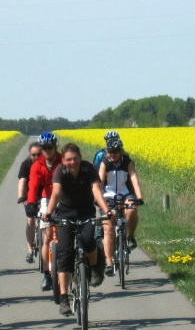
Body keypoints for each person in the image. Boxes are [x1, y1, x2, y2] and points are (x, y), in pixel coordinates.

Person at [43, 143, 112, 317]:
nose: (72, 162)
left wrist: (107, 210)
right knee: (64, 253)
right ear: (64, 160)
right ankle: (65, 298)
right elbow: (56, 194)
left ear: (80, 158)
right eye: (68, 159)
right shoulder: (60, 171)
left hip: (86, 211)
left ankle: (95, 267)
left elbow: (96, 190)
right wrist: (48, 212)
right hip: (65, 212)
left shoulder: (89, 169)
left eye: (75, 159)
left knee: (89, 240)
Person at [98, 137, 144, 277]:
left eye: (115, 152)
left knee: (131, 210)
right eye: (110, 152)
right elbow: (99, 183)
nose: (113, 154)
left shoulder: (127, 162)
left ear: (120, 151)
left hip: (125, 194)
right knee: (108, 229)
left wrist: (139, 197)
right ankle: (109, 263)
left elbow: (134, 178)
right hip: (108, 197)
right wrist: (98, 200)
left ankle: (130, 236)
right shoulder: (105, 163)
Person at [26, 132, 63, 291]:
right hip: (46, 199)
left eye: (50, 147)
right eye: (44, 148)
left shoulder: (64, 161)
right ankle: (47, 275)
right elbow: (33, 186)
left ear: (55, 147)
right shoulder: (37, 165)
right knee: (46, 236)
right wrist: (31, 204)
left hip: (64, 198)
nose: (47, 151)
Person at [17, 141, 43, 263]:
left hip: (45, 195)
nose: (36, 157)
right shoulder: (26, 164)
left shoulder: (47, 163)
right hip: (30, 195)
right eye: (33, 154)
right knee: (31, 220)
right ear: (29, 154)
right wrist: (21, 196)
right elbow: (22, 181)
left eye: (39, 154)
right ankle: (30, 250)